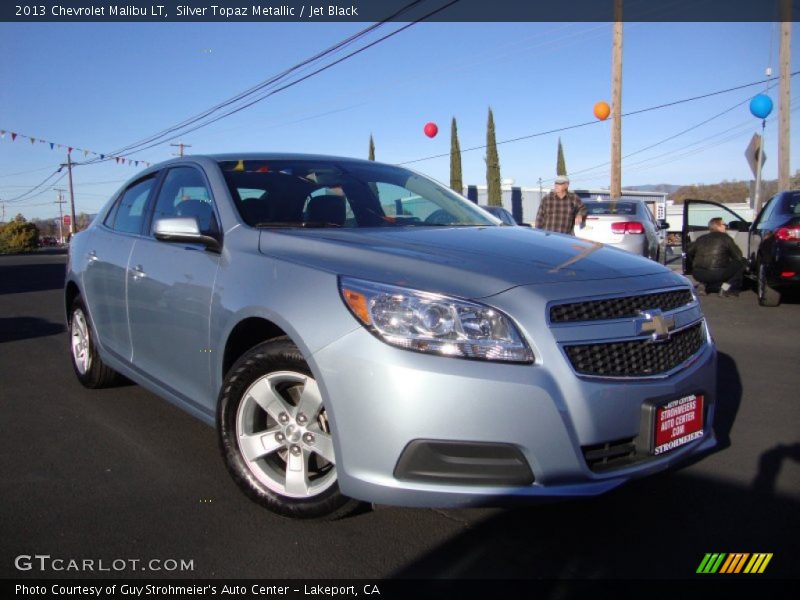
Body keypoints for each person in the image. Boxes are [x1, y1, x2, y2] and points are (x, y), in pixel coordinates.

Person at [687, 217, 746, 297]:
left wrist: (696, 263)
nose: (726, 227)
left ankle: (703, 284)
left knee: (708, 269)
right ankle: (725, 288)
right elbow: (738, 256)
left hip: (698, 273)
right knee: (742, 262)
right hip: (717, 274)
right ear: (718, 226)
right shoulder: (726, 238)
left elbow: (689, 252)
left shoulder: (701, 238)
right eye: (724, 225)